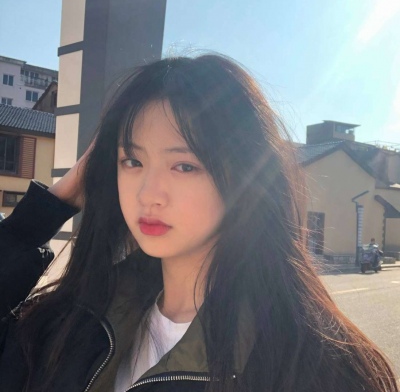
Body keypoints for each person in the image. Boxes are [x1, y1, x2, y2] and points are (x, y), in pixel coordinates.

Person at [0, 54, 398, 392]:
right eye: (132, 161)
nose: (149, 194)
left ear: (245, 179)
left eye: (184, 166)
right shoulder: (74, 320)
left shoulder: (318, 366)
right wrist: (41, 214)